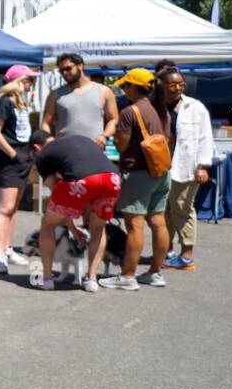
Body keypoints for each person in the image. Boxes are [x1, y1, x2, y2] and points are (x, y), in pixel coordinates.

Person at [99, 68, 173, 291]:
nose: (123, 90)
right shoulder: (162, 110)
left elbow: (121, 145)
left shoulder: (130, 112)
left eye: (125, 86)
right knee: (158, 221)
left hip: (138, 172)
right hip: (161, 171)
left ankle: (128, 275)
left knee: (135, 225)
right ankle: (155, 272)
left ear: (133, 87)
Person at [29, 129, 122, 291]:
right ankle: (92, 279)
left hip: (82, 180)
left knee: (48, 224)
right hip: (112, 178)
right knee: (98, 228)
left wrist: (71, 227)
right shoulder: (79, 137)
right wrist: (73, 227)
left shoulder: (43, 156)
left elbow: (56, 198)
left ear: (37, 148)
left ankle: (46, 278)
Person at [154, 64, 214, 270]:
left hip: (186, 167)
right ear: (161, 85)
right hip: (161, 167)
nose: (178, 88)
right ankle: (167, 250)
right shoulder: (156, 106)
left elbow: (206, 138)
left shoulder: (195, 107)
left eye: (181, 84)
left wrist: (203, 166)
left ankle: (187, 255)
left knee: (183, 208)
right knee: (164, 210)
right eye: (173, 85)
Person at [0, 64, 40, 274]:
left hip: (23, 158)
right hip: (11, 161)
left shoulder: (21, 103)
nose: (31, 84)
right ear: (19, 81)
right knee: (5, 208)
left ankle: (7, 248)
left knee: (13, 209)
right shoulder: (5, 102)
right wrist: (12, 153)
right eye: (29, 80)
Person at [41, 52, 118, 145]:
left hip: (94, 149)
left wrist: (105, 136)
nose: (65, 73)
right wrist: (49, 140)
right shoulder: (55, 95)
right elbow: (46, 123)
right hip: (65, 151)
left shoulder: (104, 91)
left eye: (68, 68)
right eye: (61, 71)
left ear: (80, 66)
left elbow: (113, 119)